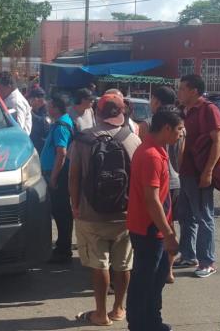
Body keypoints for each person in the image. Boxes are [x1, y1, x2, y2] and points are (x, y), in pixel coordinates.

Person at [69, 93, 141, 326]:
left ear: (97, 113)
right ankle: (119, 309)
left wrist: (75, 205)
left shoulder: (83, 140)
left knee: (99, 264)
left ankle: (100, 313)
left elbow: (74, 177)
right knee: (123, 264)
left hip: (91, 214)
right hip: (125, 214)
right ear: (122, 113)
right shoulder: (133, 140)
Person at [125, 109, 185, 331]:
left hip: (155, 226)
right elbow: (152, 200)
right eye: (179, 129)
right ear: (167, 128)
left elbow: (161, 197)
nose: (181, 133)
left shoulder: (158, 150)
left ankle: (152, 320)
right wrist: (168, 235)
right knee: (145, 280)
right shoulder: (150, 154)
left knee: (156, 278)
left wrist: (169, 228)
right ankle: (140, 324)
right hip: (148, 227)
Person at [175, 74, 220, 278]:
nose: (179, 92)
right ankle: (188, 254)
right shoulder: (184, 111)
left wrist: (209, 171)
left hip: (199, 173)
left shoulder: (208, 110)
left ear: (194, 90)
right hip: (184, 172)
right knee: (186, 216)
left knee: (204, 217)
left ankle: (207, 261)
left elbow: (217, 141)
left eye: (182, 88)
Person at [140, 87, 185, 283]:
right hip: (175, 180)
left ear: (157, 102)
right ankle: (169, 270)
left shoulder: (148, 124)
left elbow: (142, 150)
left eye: (152, 100)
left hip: (157, 180)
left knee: (156, 224)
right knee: (170, 222)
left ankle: (158, 267)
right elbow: (181, 155)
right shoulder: (180, 125)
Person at [41, 94, 74, 263]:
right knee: (61, 212)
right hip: (56, 173)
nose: (47, 108)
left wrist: (53, 177)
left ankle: (63, 249)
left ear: (56, 107)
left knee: (61, 213)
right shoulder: (61, 123)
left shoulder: (61, 126)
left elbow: (61, 153)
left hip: (58, 175)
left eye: (50, 105)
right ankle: (63, 246)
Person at [27, 88, 50, 154]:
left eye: (30, 99)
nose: (29, 102)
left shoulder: (47, 110)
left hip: (41, 150)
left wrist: (29, 112)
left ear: (37, 99)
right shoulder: (36, 110)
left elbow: (44, 123)